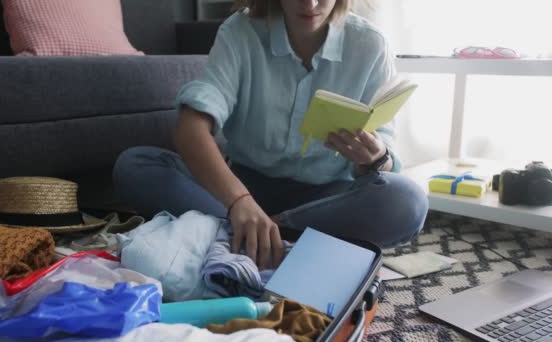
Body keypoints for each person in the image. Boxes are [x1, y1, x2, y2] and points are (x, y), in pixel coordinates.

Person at [114, 0, 428, 270]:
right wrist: (239, 202)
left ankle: (256, 235)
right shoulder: (240, 32)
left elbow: (385, 166)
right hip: (241, 189)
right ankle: (274, 240)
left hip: (328, 202)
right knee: (135, 164)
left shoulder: (369, 44)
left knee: (408, 201)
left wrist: (374, 157)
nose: (310, 4)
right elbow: (190, 129)